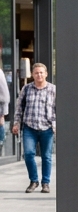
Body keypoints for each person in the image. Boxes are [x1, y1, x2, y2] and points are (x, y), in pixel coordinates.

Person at [13, 63, 55, 193]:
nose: (39, 75)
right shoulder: (26, 89)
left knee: (46, 156)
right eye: (36, 73)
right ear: (32, 74)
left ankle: (45, 183)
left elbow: (58, 109)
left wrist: (56, 124)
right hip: (29, 128)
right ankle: (34, 181)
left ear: (46, 74)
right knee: (29, 154)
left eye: (41, 72)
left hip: (47, 128)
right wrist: (16, 123)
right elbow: (19, 107)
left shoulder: (53, 89)